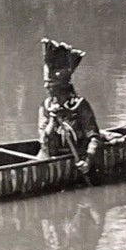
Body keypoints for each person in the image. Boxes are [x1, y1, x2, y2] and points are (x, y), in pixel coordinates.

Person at [37, 39, 102, 174]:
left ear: (63, 88)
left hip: (78, 158)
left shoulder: (79, 106)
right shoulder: (46, 106)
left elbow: (94, 137)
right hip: (49, 157)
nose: (47, 89)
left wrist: (88, 162)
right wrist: (53, 120)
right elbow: (45, 141)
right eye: (47, 86)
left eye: (51, 87)